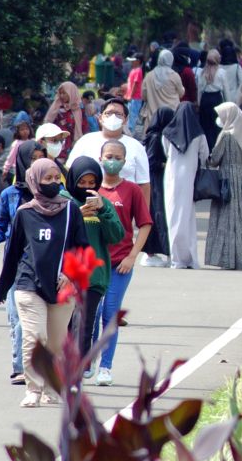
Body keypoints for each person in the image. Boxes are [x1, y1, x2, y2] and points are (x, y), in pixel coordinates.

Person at [0, 158, 90, 406]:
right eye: (47, 179)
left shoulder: (70, 211)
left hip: (61, 288)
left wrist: (71, 274)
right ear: (35, 180)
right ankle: (33, 389)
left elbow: (83, 249)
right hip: (28, 284)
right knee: (36, 338)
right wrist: (3, 287)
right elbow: (13, 252)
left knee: (56, 344)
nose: (54, 183)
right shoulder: (25, 213)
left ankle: (51, 388)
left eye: (57, 178)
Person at [93, 138, 154, 386]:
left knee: (109, 315)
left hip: (120, 265)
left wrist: (132, 256)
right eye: (109, 156)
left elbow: (145, 224)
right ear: (100, 158)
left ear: (125, 162)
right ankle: (87, 362)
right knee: (90, 314)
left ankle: (105, 367)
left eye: (118, 158)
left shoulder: (131, 190)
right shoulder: (92, 189)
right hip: (94, 265)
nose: (113, 161)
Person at [0, 140, 43, 382]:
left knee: (39, 320)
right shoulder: (10, 194)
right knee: (16, 317)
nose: (36, 164)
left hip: (43, 263)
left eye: (41, 158)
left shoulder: (52, 193)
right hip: (16, 263)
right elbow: (1, 226)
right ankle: (21, 367)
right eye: (32, 158)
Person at [65, 156, 123, 370]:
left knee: (85, 324)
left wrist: (103, 211)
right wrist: (76, 216)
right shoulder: (65, 202)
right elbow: (58, 232)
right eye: (82, 183)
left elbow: (116, 236)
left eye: (92, 183)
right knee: (65, 324)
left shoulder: (102, 203)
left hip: (94, 277)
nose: (87, 188)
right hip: (66, 275)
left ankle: (78, 369)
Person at [67, 97, 151, 207]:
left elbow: (144, 184)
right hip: (88, 209)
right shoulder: (85, 141)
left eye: (118, 114)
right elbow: (69, 173)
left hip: (125, 210)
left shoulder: (136, 146)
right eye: (109, 113)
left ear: (125, 120)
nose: (113, 117)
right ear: (100, 118)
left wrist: (142, 218)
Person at [205, 102, 242, 270]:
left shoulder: (226, 136)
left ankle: (227, 258)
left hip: (226, 176)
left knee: (227, 216)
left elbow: (214, 159)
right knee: (241, 216)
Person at [162, 103, 208, 268]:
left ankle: (176, 258)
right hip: (190, 178)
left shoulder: (167, 133)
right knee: (188, 217)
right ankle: (190, 258)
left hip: (172, 177)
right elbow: (205, 155)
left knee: (173, 214)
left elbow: (166, 152)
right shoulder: (198, 134)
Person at [139, 108, 174, 266]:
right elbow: (152, 162)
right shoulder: (156, 137)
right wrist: (166, 164)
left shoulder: (152, 135)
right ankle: (153, 251)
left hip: (153, 180)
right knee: (158, 214)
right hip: (155, 182)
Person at [141, 49, 185, 132]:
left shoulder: (149, 76)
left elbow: (143, 96)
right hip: (172, 116)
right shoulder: (174, 75)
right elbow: (181, 93)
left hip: (153, 117)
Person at [43, 81, 87, 160]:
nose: (62, 96)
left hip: (74, 140)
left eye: (64, 93)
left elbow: (84, 125)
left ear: (71, 93)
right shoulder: (56, 106)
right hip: (59, 141)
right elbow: (48, 124)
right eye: (60, 93)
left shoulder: (79, 108)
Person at [196, 49, 228, 151]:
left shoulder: (202, 73)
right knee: (217, 126)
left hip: (205, 100)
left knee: (205, 127)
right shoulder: (222, 72)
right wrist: (228, 104)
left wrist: (199, 103)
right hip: (217, 99)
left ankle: (207, 151)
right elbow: (226, 91)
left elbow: (199, 90)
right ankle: (216, 150)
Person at [124, 56, 145, 135]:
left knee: (133, 115)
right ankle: (129, 130)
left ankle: (131, 132)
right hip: (132, 97)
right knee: (129, 114)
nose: (131, 62)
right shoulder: (133, 70)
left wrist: (130, 95)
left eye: (133, 60)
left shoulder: (138, 71)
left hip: (135, 97)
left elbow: (135, 84)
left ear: (138, 61)